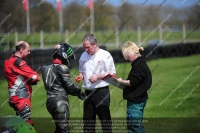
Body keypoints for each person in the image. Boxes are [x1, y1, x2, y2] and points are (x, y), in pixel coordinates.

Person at [41, 42, 86, 133]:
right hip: (60, 103)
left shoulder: (45, 68)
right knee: (64, 129)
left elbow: (58, 84)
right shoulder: (62, 68)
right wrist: (79, 92)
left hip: (49, 102)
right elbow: (70, 87)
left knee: (59, 129)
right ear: (64, 55)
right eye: (68, 56)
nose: (69, 59)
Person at [76, 33, 116, 133]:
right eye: (84, 47)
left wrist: (98, 76)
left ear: (95, 44)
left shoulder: (105, 55)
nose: (86, 50)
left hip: (101, 91)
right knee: (88, 123)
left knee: (105, 121)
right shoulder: (83, 55)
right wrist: (80, 76)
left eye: (88, 47)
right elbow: (81, 70)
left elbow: (112, 73)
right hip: (88, 92)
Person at [116, 41, 152, 133]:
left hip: (135, 103)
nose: (127, 59)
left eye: (127, 57)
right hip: (140, 99)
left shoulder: (138, 66)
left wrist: (121, 81)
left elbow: (133, 82)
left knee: (134, 127)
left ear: (131, 55)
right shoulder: (141, 63)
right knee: (136, 125)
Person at [4, 41, 40, 126]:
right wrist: (30, 79)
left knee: (21, 122)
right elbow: (36, 77)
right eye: (28, 50)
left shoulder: (8, 61)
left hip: (13, 96)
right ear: (21, 49)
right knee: (26, 125)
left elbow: (17, 76)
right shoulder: (19, 62)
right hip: (21, 98)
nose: (29, 52)